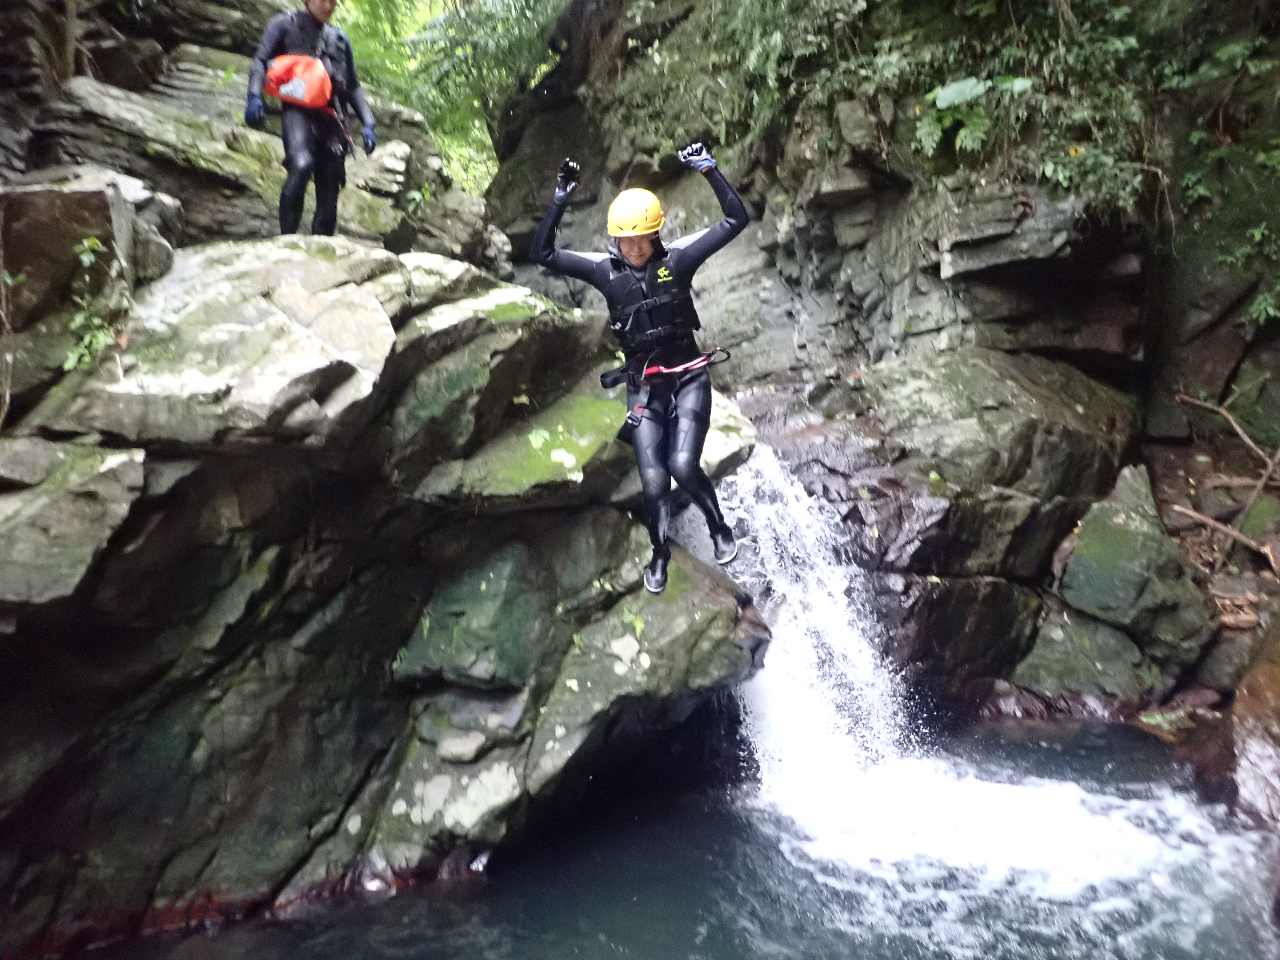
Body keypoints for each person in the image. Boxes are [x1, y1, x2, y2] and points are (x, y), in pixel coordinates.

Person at [531, 143, 749, 594]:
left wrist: (709, 170)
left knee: (683, 466)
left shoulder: (679, 260)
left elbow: (735, 220)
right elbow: (545, 255)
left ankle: (719, 528)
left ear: (654, 236)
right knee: (652, 483)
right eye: (623, 241)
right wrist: (559, 199)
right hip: (645, 389)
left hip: (689, 376)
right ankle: (660, 553)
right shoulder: (604, 271)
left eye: (639, 240)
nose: (631, 248)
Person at [244, 0, 376, 236]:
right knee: (301, 165)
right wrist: (254, 96)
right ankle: (287, 239)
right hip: (298, 114)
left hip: (333, 119)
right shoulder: (284, 25)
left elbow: (353, 87)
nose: (329, 6)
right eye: (323, 0)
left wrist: (369, 123)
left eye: (333, 1)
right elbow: (260, 61)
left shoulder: (340, 39)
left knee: (329, 186)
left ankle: (320, 251)